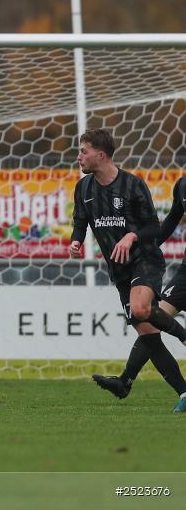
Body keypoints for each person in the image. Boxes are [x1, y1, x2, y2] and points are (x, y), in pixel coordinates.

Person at [87, 169, 186, 413]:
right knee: (150, 315)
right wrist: (145, 248)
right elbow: (172, 220)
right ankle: (125, 381)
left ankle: (124, 381)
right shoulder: (182, 185)